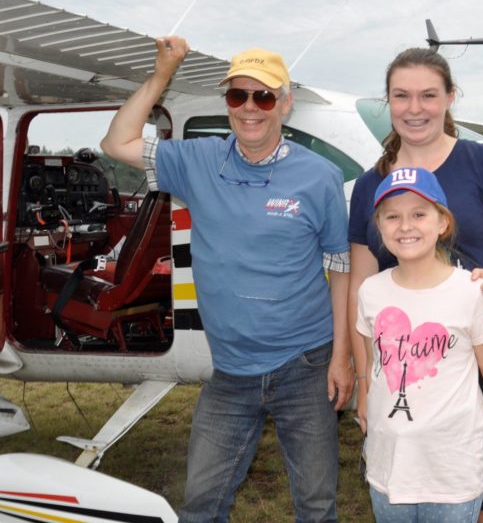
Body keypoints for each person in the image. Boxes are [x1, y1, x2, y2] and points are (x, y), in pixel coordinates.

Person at [101, 37, 353, 523]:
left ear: (285, 103)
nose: (250, 108)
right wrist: (160, 75)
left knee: (317, 507)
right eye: (238, 96)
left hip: (304, 363)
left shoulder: (319, 176)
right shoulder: (198, 161)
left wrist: (341, 358)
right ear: (228, 103)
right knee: (201, 504)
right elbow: (117, 143)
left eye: (263, 97)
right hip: (231, 372)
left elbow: (340, 267)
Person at [348, 48, 483, 522]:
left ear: (450, 98)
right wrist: (358, 376)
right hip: (408, 368)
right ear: (388, 102)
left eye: (428, 95)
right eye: (401, 96)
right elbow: (360, 284)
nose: (414, 108)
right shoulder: (368, 187)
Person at [356, 166, 483, 521]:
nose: (405, 225)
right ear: (379, 227)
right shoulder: (370, 292)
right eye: (392, 216)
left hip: (453, 475)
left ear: (442, 223)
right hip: (388, 472)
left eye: (419, 214)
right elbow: (373, 366)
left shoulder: (472, 292)